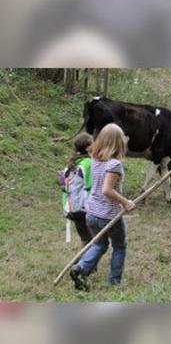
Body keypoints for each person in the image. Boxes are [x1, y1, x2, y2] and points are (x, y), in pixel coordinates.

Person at [70, 124, 135, 290]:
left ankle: (81, 268)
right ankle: (114, 283)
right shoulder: (114, 164)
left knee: (99, 245)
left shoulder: (94, 159)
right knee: (120, 246)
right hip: (108, 215)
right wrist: (125, 202)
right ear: (118, 142)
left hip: (91, 213)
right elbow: (107, 190)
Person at [60, 133, 94, 246]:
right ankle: (85, 263)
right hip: (85, 207)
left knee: (85, 238)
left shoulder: (72, 163)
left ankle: (82, 261)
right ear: (88, 147)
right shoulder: (89, 164)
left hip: (72, 207)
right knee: (94, 242)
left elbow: (63, 183)